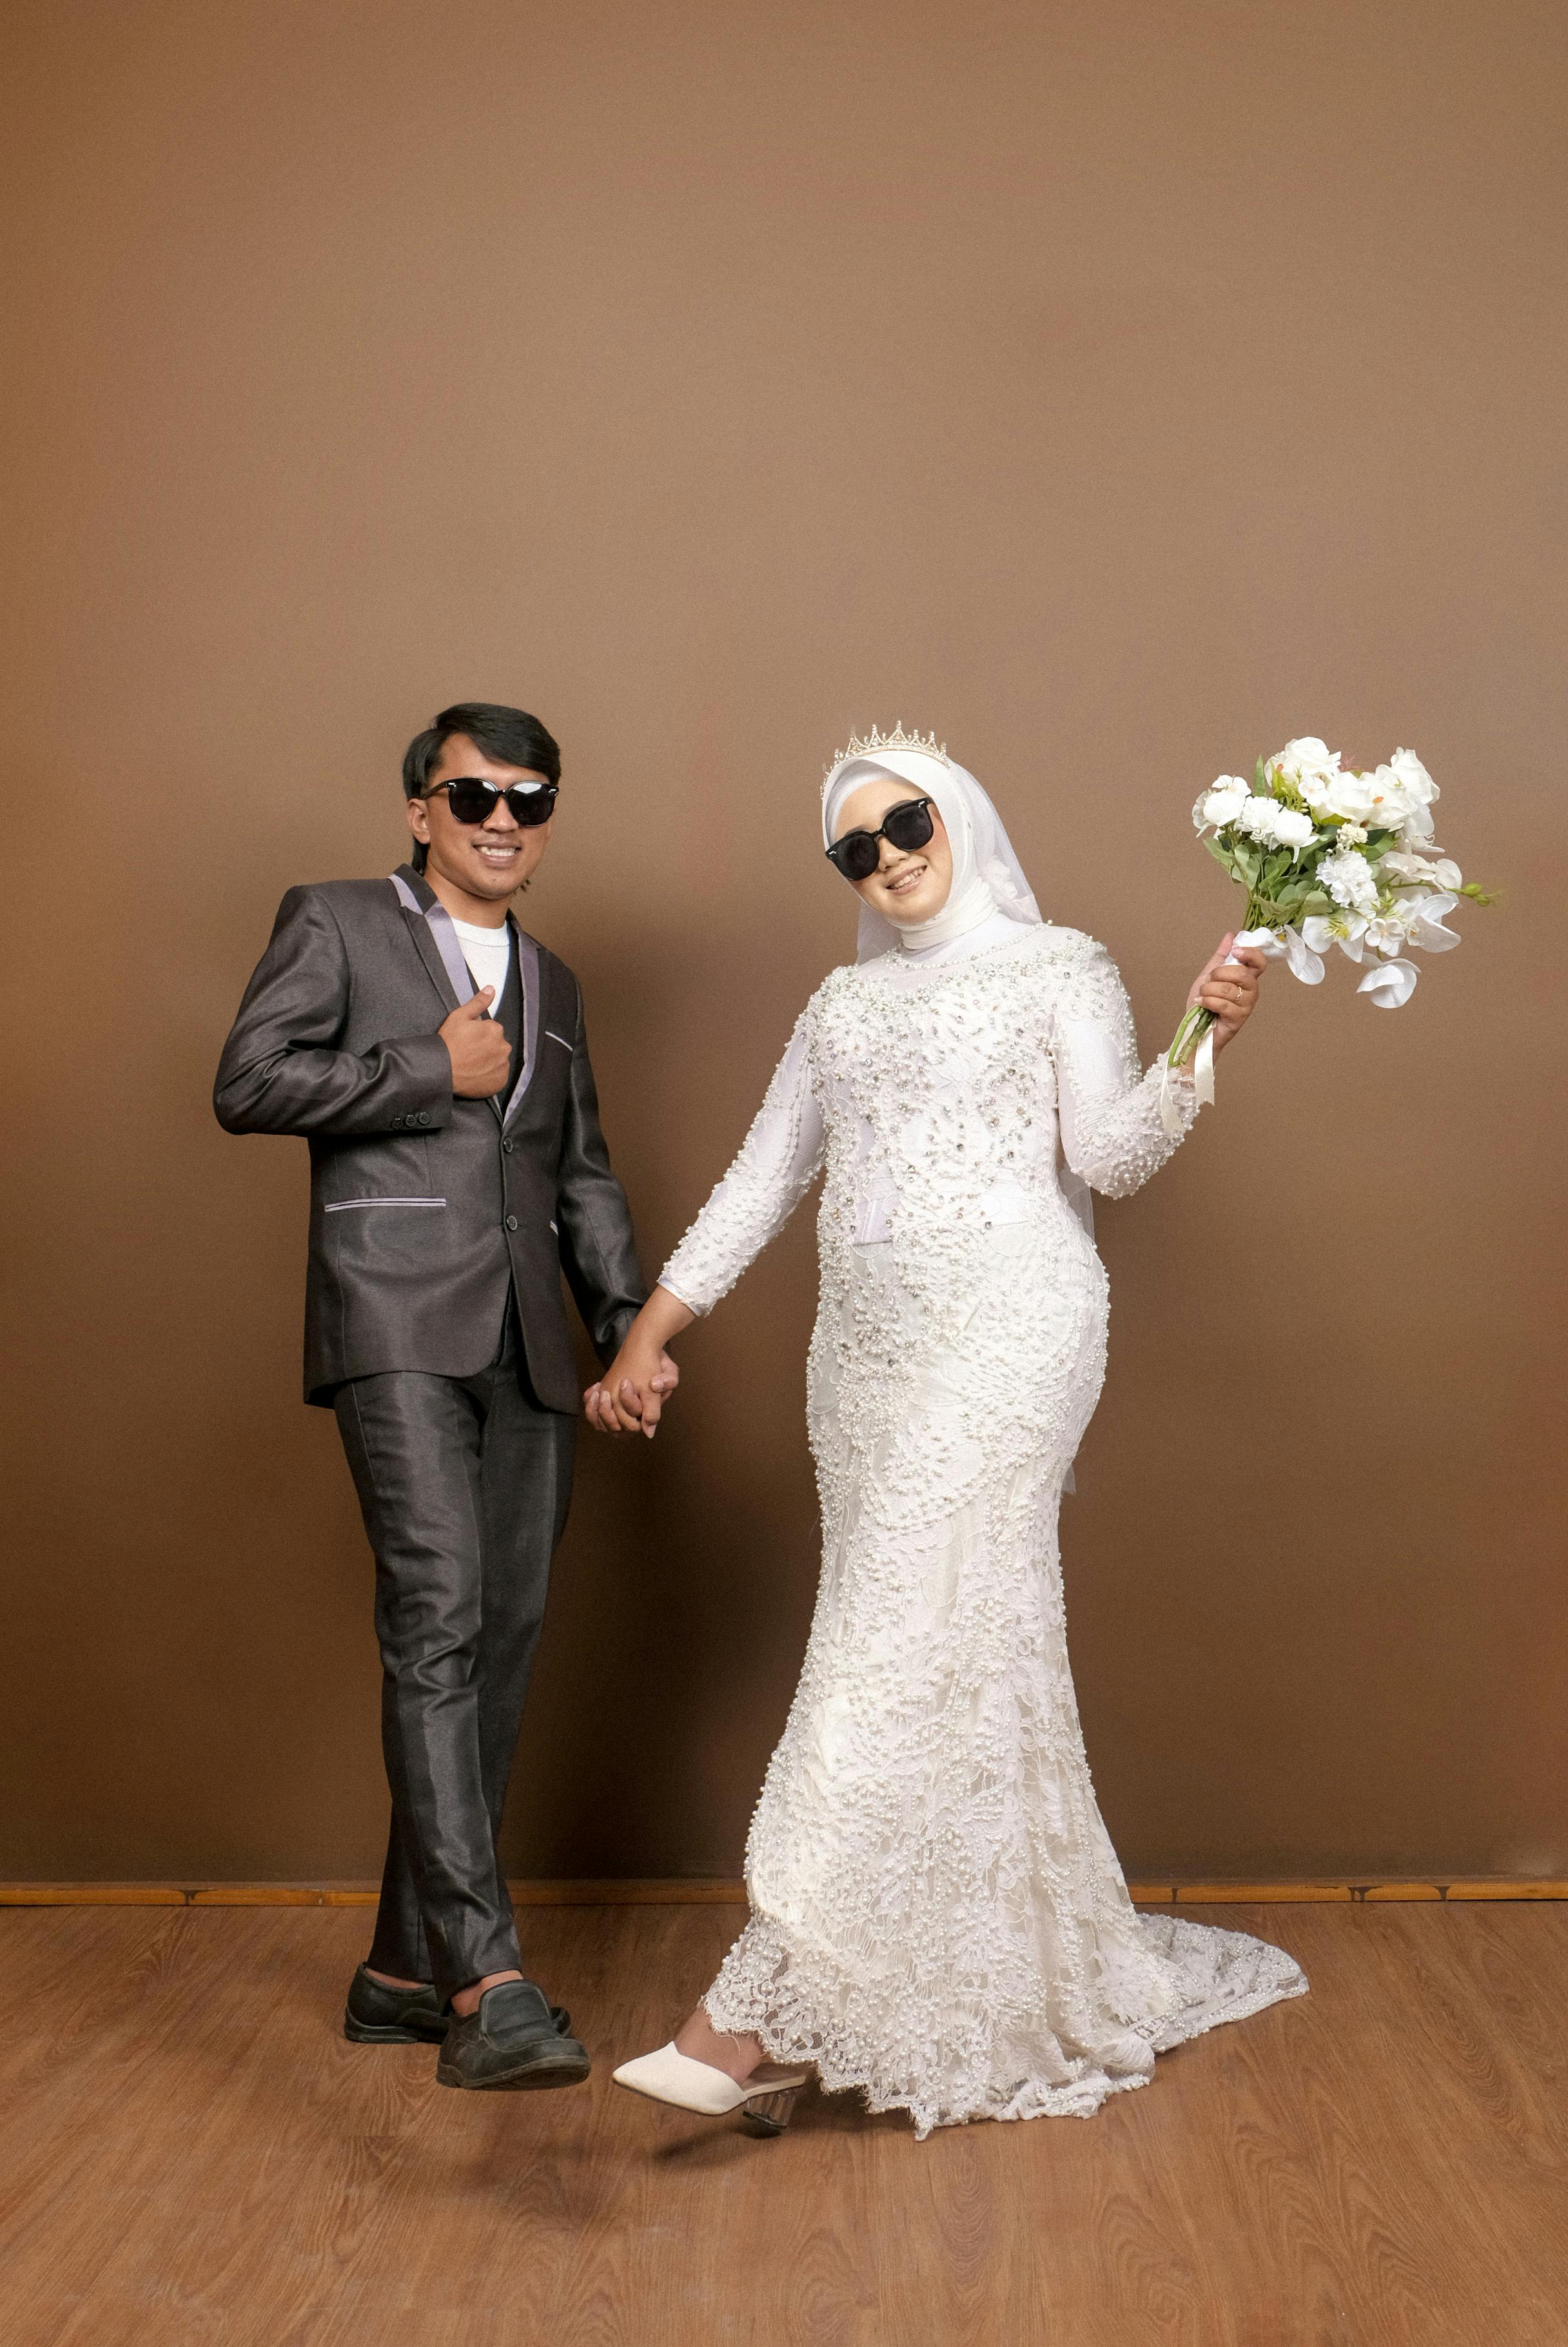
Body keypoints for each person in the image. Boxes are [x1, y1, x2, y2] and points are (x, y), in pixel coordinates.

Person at [596, 725, 1306, 2138]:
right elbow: (758, 1177)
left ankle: (745, 2015)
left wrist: (1195, 1040)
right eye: (855, 847)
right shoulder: (838, 1010)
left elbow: (1106, 1153)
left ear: (960, 815)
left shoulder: (1058, 966)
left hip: (1013, 1337)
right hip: (858, 1363)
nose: (890, 856)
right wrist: (649, 1329)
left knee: (888, 1643)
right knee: (953, 1649)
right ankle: (891, 2001)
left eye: (906, 822)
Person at [215, 702, 667, 2092]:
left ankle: (401, 1973)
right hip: (395, 1317)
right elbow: (245, 1079)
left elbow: (578, 1172)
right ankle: (490, 1982)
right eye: (473, 795)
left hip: (531, 1341)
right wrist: (430, 1068)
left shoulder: (560, 983)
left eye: (529, 799)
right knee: (438, 1622)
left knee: (503, 1645)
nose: (501, 820)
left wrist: (628, 1329)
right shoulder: (339, 921)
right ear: (420, 807)